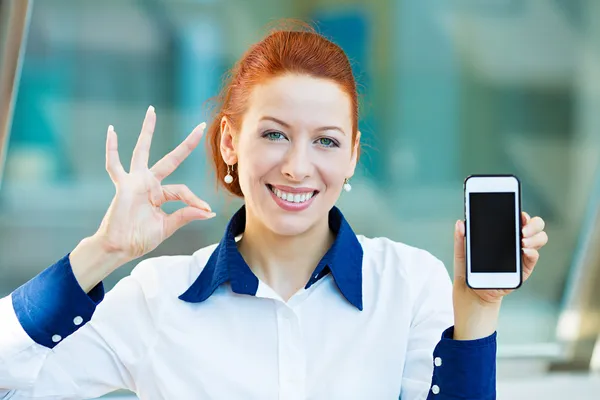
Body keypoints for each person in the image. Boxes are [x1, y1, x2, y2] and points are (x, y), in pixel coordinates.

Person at [0, 26, 548, 400]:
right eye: (274, 135)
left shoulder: (408, 285)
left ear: (354, 154)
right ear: (231, 141)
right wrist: (101, 254)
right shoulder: (156, 296)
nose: (297, 166)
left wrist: (477, 311)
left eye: (326, 142)